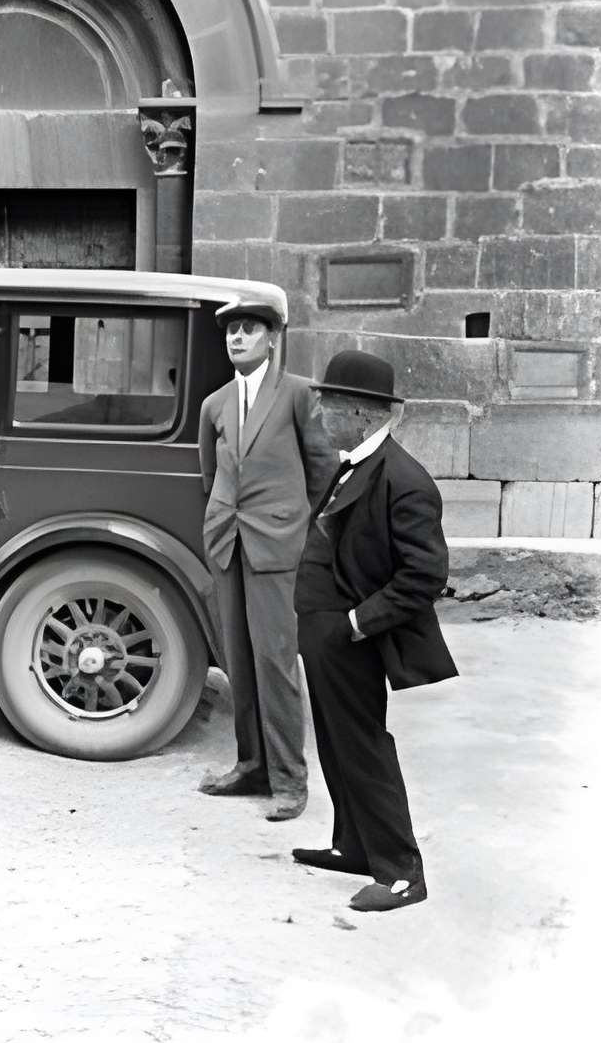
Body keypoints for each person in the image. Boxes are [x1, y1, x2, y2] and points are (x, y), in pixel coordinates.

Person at [290, 349, 456, 912]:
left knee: (364, 747)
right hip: (323, 632)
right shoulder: (350, 463)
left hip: (350, 635)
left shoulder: (405, 480)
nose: (320, 413)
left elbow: (424, 575)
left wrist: (358, 623)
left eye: (329, 403)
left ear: (361, 412)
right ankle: (354, 847)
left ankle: (403, 872)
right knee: (336, 746)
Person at [192, 298, 327, 821]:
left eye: (249, 329)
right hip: (228, 543)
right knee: (238, 662)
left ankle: (291, 780)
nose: (237, 338)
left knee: (275, 662)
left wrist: (294, 527)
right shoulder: (215, 404)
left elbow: (322, 470)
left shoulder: (297, 395)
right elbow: (210, 476)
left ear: (272, 337)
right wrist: (221, 521)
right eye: (231, 331)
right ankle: (251, 766)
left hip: (276, 547)